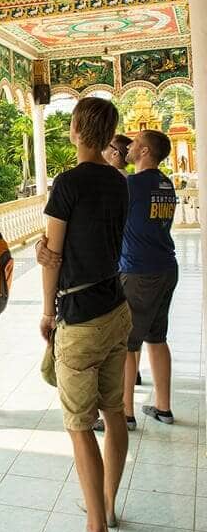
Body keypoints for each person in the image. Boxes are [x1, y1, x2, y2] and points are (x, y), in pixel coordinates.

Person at [36, 98, 130, 532]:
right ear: (109, 133)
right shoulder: (120, 182)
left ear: (75, 129)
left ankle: (96, 527)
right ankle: (108, 507)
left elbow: (52, 256)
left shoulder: (67, 183)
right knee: (113, 412)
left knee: (79, 426)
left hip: (81, 316)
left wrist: (44, 311)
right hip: (117, 307)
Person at [115, 130, 178, 426]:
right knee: (157, 337)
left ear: (145, 152)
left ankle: (125, 412)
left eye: (135, 143)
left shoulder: (132, 184)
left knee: (129, 343)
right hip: (166, 266)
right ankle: (163, 408)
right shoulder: (166, 184)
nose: (129, 146)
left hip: (139, 271)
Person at [103, 133, 143, 388]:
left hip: (119, 260)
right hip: (130, 258)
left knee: (121, 327)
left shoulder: (113, 183)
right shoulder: (132, 181)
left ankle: (124, 380)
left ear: (115, 153)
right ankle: (134, 371)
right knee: (134, 322)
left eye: (106, 148)